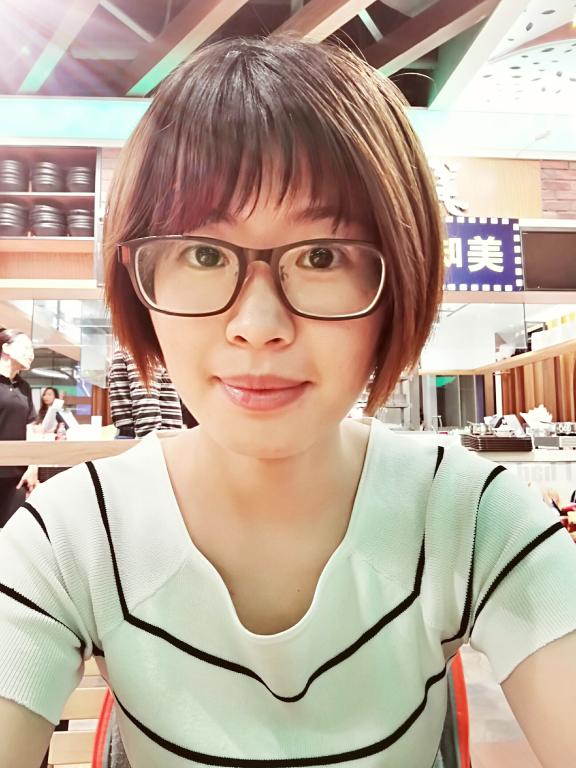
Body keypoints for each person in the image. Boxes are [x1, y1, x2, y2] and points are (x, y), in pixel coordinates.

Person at [0, 37, 575, 768]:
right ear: (140, 279)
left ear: (399, 278)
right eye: (205, 254)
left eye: (322, 256)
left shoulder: (473, 518)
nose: (258, 326)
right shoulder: (70, 538)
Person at [0, 328, 38, 527]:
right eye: (26, 348)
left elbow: (30, 427)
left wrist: (33, 466)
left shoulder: (24, 387)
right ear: (6, 348)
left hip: (17, 476)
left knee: (12, 532)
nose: (31, 354)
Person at [108, 347, 184, 437]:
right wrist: (149, 438)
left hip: (139, 435)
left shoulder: (126, 350)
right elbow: (146, 399)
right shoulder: (142, 349)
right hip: (156, 437)